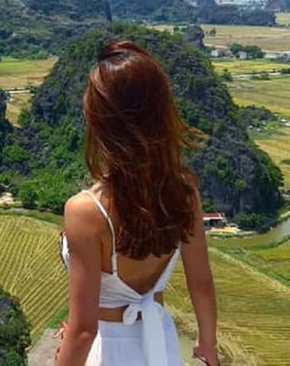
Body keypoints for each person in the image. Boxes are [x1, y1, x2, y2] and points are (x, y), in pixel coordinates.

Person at [54, 41, 219, 366]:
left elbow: (84, 330)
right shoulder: (184, 191)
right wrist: (208, 345)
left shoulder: (86, 210)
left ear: (101, 120)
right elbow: (200, 283)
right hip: (161, 344)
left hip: (109, 350)